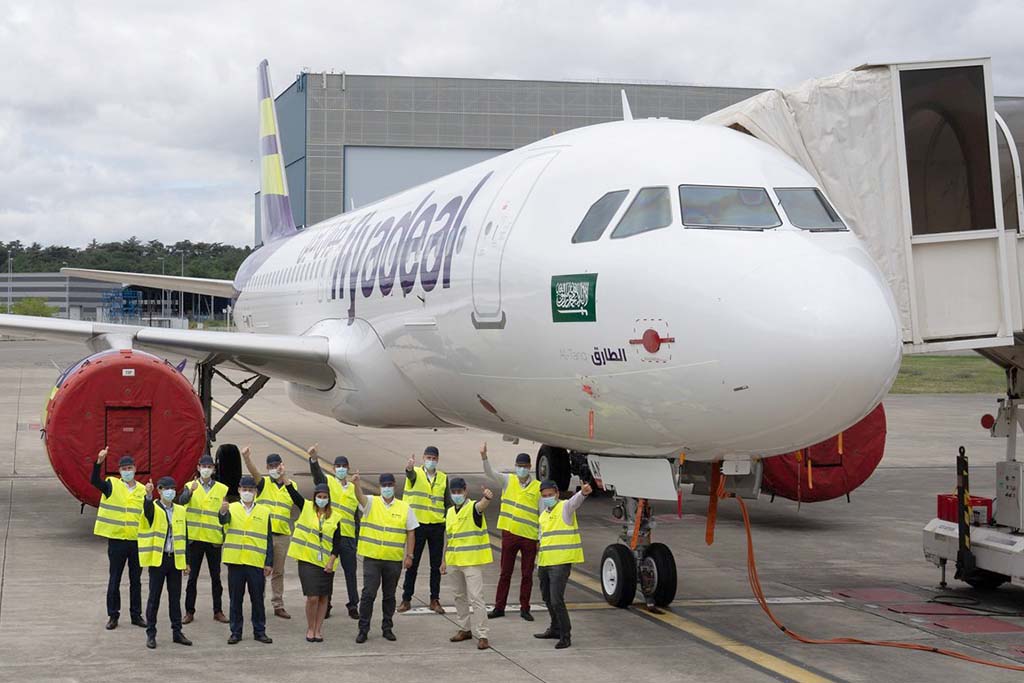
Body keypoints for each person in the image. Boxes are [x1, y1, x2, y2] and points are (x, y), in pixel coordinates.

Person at [352, 472, 416, 643]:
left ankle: (387, 628)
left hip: (393, 560)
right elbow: (359, 497)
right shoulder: (371, 502)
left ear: (394, 486)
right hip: (372, 558)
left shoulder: (404, 507)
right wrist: (357, 484)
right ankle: (363, 629)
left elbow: (411, 532)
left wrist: (409, 555)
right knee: (368, 594)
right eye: (384, 485)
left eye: (390, 485)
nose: (387, 488)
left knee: (389, 596)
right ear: (380, 487)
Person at [480, 443, 540, 621]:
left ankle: (525, 608)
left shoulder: (537, 487)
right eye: (519, 466)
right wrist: (484, 457)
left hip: (529, 536)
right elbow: (490, 473)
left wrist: (540, 537)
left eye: (524, 466)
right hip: (510, 534)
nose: (521, 469)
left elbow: (543, 513)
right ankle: (499, 607)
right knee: (505, 573)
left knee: (527, 574)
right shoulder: (509, 480)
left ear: (529, 468)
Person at [91, 447, 147, 630]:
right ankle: (113, 615)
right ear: (120, 471)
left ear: (135, 469)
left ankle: (136, 615)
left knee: (135, 580)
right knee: (114, 579)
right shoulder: (111, 485)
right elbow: (94, 481)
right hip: (116, 541)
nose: (127, 471)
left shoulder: (142, 490)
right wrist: (99, 462)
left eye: (130, 468)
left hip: (136, 541)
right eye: (124, 469)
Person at [534, 479, 591, 649]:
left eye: (550, 495)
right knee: (547, 598)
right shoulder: (543, 515)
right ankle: (555, 628)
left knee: (557, 599)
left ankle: (565, 635)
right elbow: (541, 538)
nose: (547, 498)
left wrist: (583, 493)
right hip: (545, 562)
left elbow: (575, 502)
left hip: (560, 563)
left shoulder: (565, 507)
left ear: (557, 494)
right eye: (544, 496)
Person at [219, 475, 274, 644]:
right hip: (235, 561)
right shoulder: (231, 508)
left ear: (256, 492)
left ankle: (259, 631)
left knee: (257, 599)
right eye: (244, 490)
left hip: (255, 562)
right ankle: (236, 631)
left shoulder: (264, 512)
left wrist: (268, 562)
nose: (247, 493)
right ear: (239, 490)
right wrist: (222, 511)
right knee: (236, 599)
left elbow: (268, 539)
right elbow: (223, 521)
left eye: (250, 490)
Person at [441, 478, 495, 650]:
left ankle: (483, 634)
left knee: (476, 598)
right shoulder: (449, 512)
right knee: (459, 596)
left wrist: (486, 498)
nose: (457, 494)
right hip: (454, 561)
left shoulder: (473, 508)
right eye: (454, 492)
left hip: (471, 562)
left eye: (459, 491)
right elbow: (449, 538)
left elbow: (481, 507)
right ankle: (464, 628)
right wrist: (444, 560)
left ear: (466, 491)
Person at [308, 444, 360, 620]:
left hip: (348, 536)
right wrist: (314, 459)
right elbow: (317, 477)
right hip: (331, 536)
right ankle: (327, 604)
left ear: (348, 469)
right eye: (338, 466)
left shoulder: (354, 488)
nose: (341, 469)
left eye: (344, 467)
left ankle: (353, 605)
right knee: (328, 572)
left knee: (350, 573)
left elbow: (356, 516)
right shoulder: (329, 482)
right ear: (333, 469)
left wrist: (357, 538)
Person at [139, 476, 192, 649]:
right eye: (165, 488)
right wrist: (147, 495)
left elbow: (185, 537)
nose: (169, 491)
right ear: (159, 490)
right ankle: (151, 633)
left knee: (175, 598)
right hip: (158, 560)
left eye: (172, 488)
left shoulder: (180, 510)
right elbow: (147, 511)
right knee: (154, 598)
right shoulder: (153, 507)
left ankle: (177, 632)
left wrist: (187, 561)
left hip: (175, 560)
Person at [242, 446, 295, 619]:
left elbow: (297, 500)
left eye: (277, 465)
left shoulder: (290, 485)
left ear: (282, 465)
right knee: (260, 571)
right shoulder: (263, 484)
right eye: (271, 466)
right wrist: (247, 458)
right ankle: (259, 602)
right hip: (263, 536)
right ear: (267, 468)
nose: (274, 468)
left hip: (282, 536)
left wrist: (283, 476)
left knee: (278, 572)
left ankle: (278, 604)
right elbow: (253, 471)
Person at [286, 482, 342, 642]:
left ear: (329, 499)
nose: (321, 500)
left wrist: (331, 561)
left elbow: (337, 543)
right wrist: (284, 479)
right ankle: (310, 628)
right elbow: (293, 494)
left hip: (326, 563)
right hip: (307, 560)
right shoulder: (307, 508)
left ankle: (318, 629)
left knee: (324, 597)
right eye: (319, 497)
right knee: (312, 597)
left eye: (325, 497)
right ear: (314, 497)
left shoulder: (335, 517)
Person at [178, 454, 229, 624]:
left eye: (210, 466)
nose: (206, 469)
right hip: (194, 540)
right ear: (198, 468)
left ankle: (218, 610)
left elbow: (225, 515)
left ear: (213, 469)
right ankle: (189, 611)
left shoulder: (222, 489)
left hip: (213, 540)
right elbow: (182, 501)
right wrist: (191, 492)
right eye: (203, 466)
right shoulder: (189, 485)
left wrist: (224, 511)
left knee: (216, 578)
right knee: (192, 578)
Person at [398, 446, 450, 614]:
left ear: (438, 460)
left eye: (434, 458)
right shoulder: (416, 474)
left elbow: (447, 501)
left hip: (436, 525)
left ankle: (434, 599)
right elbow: (410, 475)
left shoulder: (443, 477)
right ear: (423, 458)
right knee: (412, 563)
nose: (431, 461)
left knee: (435, 566)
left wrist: (449, 522)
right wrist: (409, 468)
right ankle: (406, 599)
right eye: (428, 457)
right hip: (418, 524)